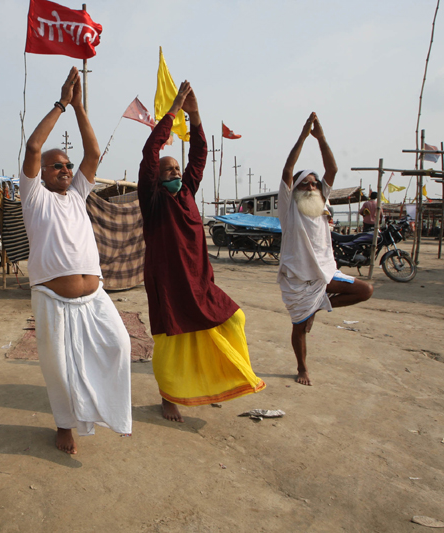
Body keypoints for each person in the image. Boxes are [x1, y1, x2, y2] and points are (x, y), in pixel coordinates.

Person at [138, 81, 265, 423]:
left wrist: (196, 117)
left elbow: (199, 155)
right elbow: (151, 151)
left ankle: (218, 380)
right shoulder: (152, 200)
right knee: (171, 342)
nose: (176, 172)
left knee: (233, 318)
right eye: (169, 170)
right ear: (157, 177)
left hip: (199, 281)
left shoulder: (188, 193)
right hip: (167, 282)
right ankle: (168, 397)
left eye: (177, 169)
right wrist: (176, 107)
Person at [20, 67, 132, 454]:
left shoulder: (79, 193)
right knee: (61, 371)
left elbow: (93, 154)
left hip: (94, 295)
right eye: (58, 167)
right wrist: (61, 105)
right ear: (43, 175)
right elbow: (34, 149)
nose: (66, 170)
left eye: (68, 166)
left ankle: (109, 412)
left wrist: (81, 108)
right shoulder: (34, 198)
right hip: (53, 299)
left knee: (119, 346)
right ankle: (64, 425)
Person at [279, 112, 374, 386]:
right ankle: (302, 368)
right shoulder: (289, 209)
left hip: (327, 273)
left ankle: (318, 307)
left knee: (365, 290)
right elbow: (287, 171)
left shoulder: (321, 203)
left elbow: (331, 169)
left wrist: (321, 138)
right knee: (299, 328)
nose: (310, 186)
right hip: (299, 279)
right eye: (304, 184)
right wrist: (302, 136)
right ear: (295, 189)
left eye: (314, 183)